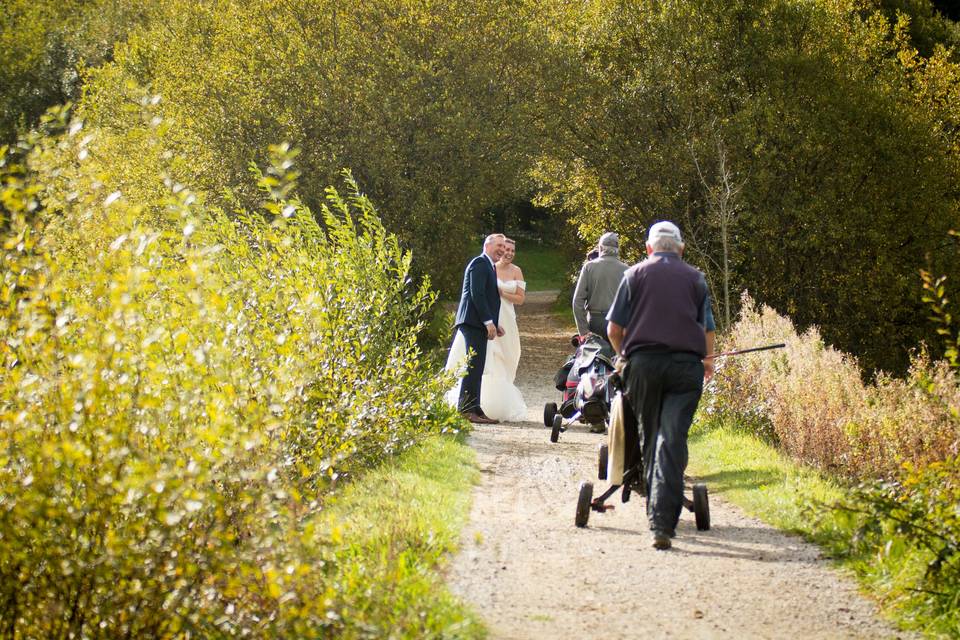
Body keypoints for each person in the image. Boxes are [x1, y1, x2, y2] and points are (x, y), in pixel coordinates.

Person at [606, 221, 716, 551]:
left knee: (651, 435)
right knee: (673, 437)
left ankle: (659, 523)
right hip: (685, 369)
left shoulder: (633, 275)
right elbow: (707, 328)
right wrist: (708, 361)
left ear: (649, 249)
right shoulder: (696, 278)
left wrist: (623, 355)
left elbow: (614, 328)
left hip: (644, 366)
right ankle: (664, 521)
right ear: (681, 249)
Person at [445, 237, 527, 422]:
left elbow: (489, 297)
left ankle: (475, 407)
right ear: (487, 245)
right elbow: (477, 294)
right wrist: (488, 321)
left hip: (479, 323)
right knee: (473, 365)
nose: (502, 249)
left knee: (478, 365)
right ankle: (466, 409)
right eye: (499, 245)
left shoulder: (488, 265)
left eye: (503, 246)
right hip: (472, 322)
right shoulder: (479, 263)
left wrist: (494, 324)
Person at [572, 232, 628, 342]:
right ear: (617, 249)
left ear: (600, 248)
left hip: (595, 322)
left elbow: (577, 301)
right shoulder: (627, 270)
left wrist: (583, 331)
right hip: (618, 323)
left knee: (593, 357)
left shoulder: (589, 267)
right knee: (619, 357)